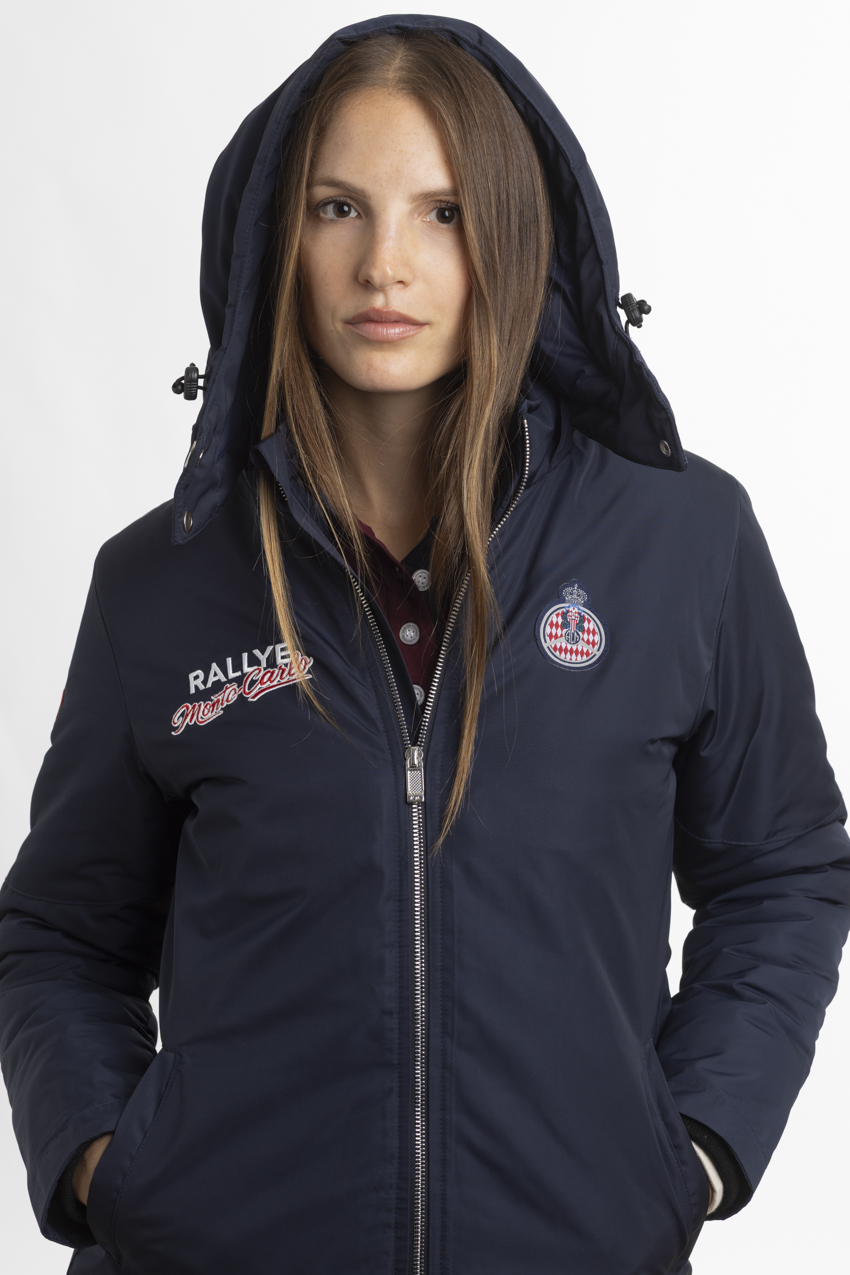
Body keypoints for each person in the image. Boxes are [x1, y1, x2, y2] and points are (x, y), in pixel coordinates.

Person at [1, 14, 848, 1275]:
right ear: (275, 238)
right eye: (336, 208)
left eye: (442, 212)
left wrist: (696, 1147)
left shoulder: (684, 541)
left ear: (512, 234)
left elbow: (781, 870)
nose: (384, 264)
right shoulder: (161, 580)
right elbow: (62, 934)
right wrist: (106, 1164)